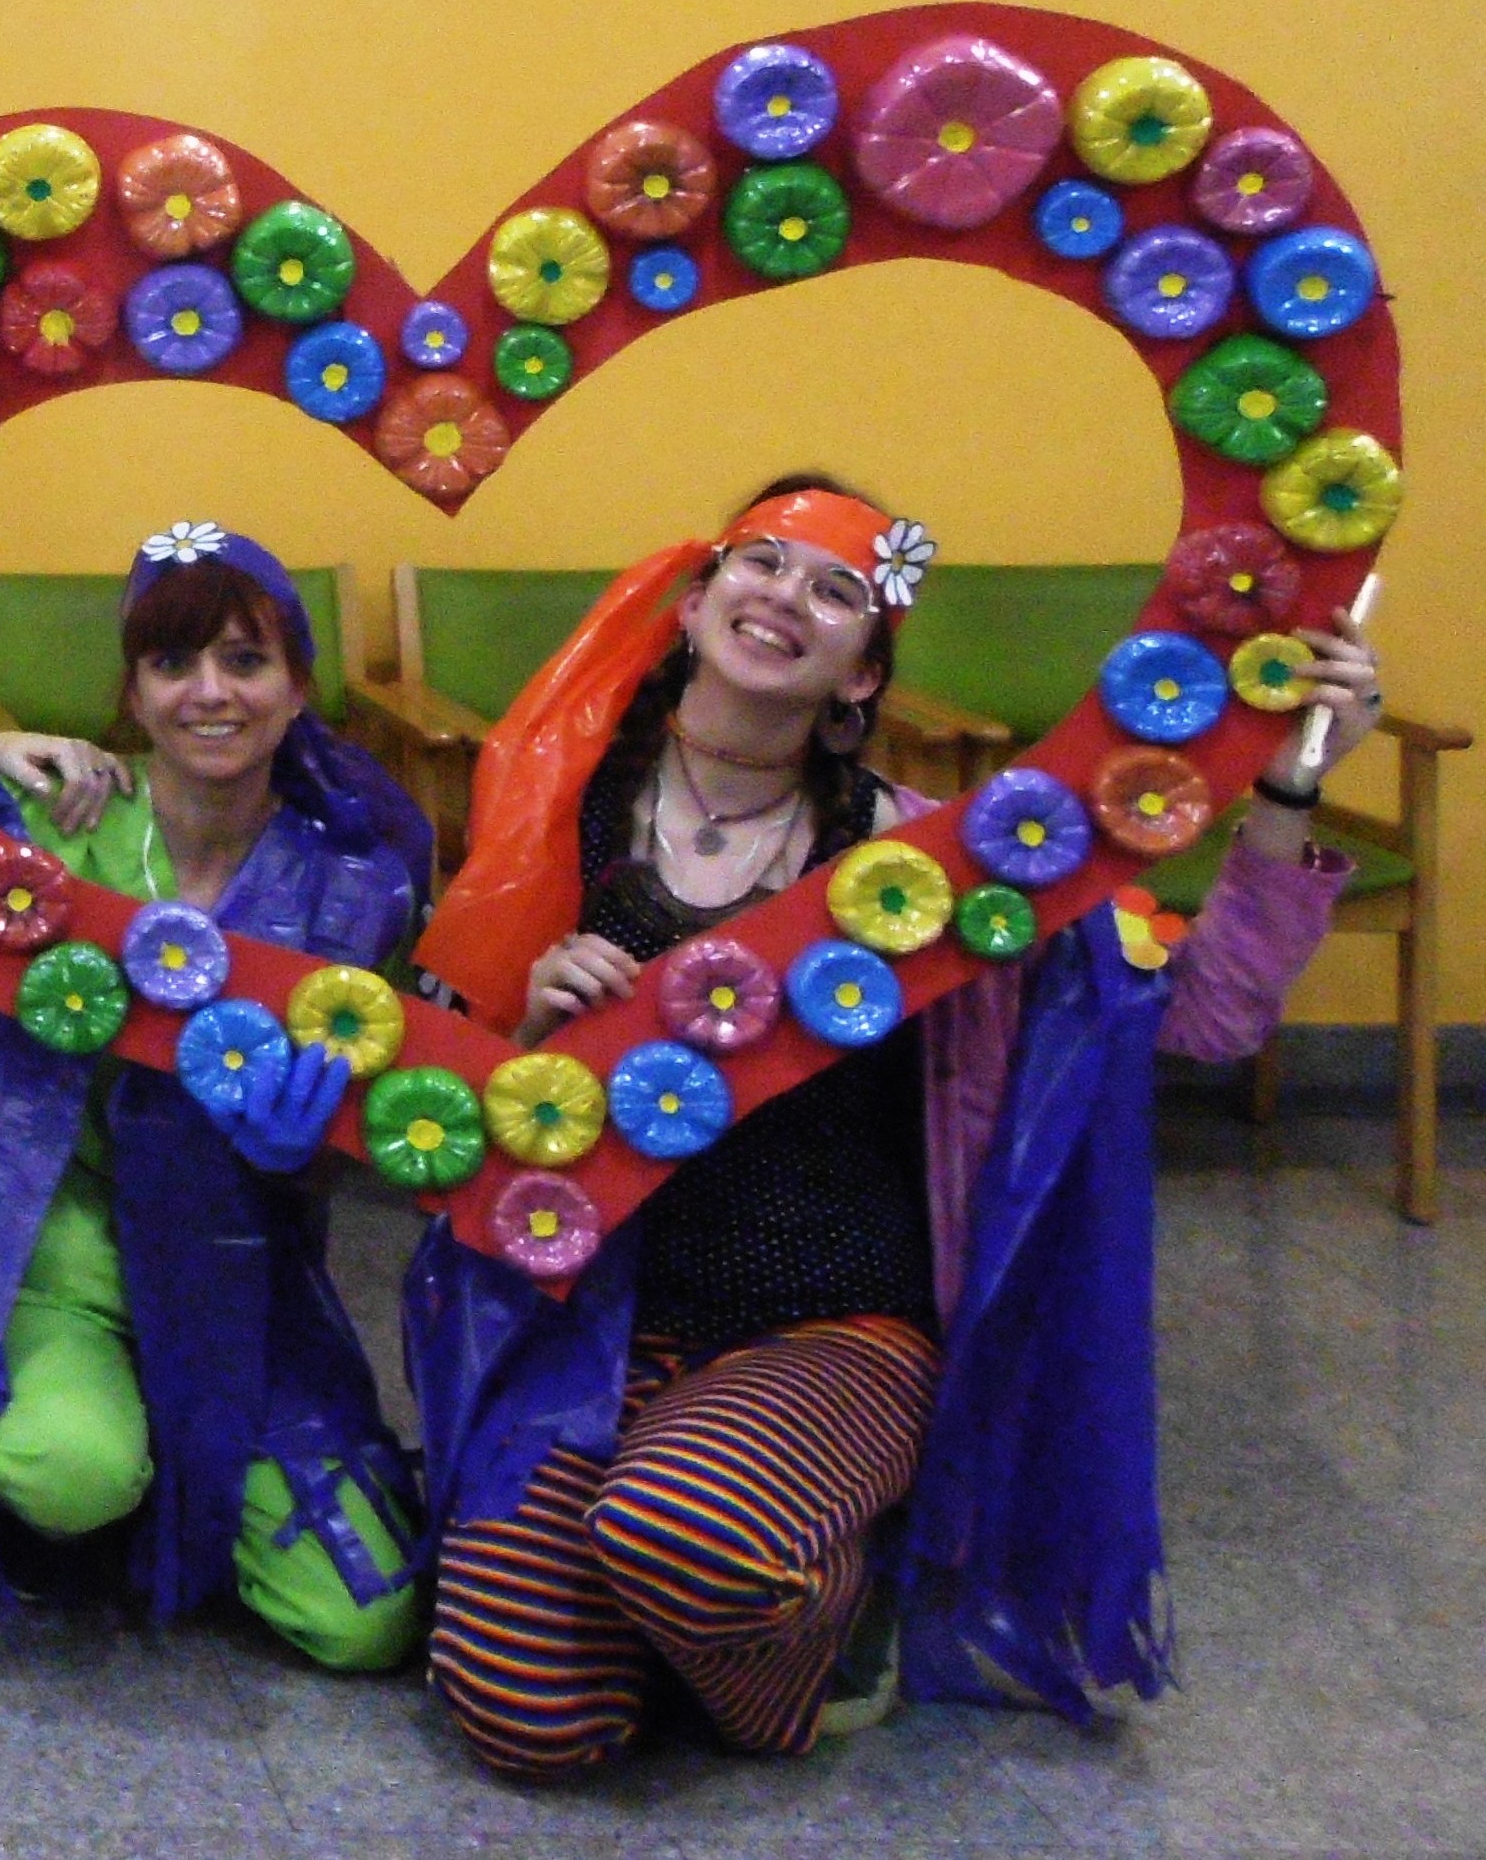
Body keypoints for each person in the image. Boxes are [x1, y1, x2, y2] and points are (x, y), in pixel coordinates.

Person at [403, 476, 1387, 1778]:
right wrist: (531, 1030)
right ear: (693, 602)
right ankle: (690, 1569)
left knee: (680, 1536)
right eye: (763, 562)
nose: (786, 597)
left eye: (837, 590)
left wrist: (1291, 786)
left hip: (833, 1323)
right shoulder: (551, 822)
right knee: (528, 1718)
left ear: (862, 673)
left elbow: (1206, 1016)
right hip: (596, 1324)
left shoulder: (935, 864)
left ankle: (815, 1605)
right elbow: (450, 1110)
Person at [0, 523, 437, 1668]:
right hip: (56, 1243)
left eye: (246, 660)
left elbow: (384, 1133)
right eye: (173, 662)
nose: (210, 692)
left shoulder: (354, 885)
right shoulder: (53, 824)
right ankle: (84, 1460)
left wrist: (309, 1154)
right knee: (69, 1470)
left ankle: (172, 1458)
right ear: (132, 694)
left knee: (367, 1620)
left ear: (298, 687)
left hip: (239, 1273)